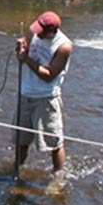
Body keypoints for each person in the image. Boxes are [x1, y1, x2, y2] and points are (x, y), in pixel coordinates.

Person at [14, 11, 73, 181]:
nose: (36, 33)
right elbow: (23, 55)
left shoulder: (64, 46)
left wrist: (26, 60)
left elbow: (49, 75)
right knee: (21, 140)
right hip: (26, 93)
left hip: (46, 98)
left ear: (50, 32)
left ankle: (58, 177)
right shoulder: (35, 33)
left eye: (40, 31)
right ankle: (16, 171)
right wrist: (21, 51)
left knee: (54, 142)